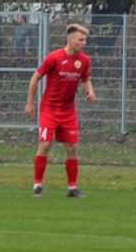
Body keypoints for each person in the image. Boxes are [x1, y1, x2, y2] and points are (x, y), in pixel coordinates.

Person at [25, 23, 97, 198]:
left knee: (72, 147)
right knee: (45, 145)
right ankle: (37, 186)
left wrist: (90, 91)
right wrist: (30, 103)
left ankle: (72, 188)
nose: (84, 43)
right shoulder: (54, 58)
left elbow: (85, 78)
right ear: (71, 40)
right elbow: (35, 78)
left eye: (85, 40)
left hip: (68, 111)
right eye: (81, 40)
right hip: (49, 109)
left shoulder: (84, 60)